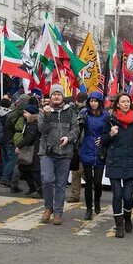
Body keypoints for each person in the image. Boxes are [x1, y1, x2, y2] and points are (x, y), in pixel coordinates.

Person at [100, 93, 133, 237]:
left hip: (131, 161)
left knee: (127, 196)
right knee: (117, 194)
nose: (126, 104)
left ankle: (127, 218)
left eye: (128, 101)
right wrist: (111, 135)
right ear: (118, 104)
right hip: (114, 161)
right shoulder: (110, 119)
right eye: (123, 101)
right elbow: (103, 140)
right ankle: (119, 225)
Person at [38, 84, 80, 226]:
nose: (56, 96)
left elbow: (76, 129)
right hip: (47, 153)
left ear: (62, 97)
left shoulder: (70, 112)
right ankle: (48, 207)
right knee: (47, 180)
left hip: (64, 154)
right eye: (54, 94)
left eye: (59, 94)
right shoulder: (44, 111)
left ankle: (57, 212)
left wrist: (68, 137)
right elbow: (42, 129)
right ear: (50, 97)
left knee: (61, 185)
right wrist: (46, 115)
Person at [77, 91, 108, 220]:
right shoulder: (84, 113)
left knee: (97, 182)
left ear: (100, 102)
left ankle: (97, 201)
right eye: (91, 101)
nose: (93, 103)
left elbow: (109, 132)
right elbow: (77, 129)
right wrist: (80, 123)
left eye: (95, 101)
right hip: (87, 149)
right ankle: (89, 209)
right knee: (88, 182)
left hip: (100, 151)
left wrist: (102, 138)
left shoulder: (106, 115)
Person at [14, 103, 42, 196]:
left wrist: (19, 146)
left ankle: (40, 190)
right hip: (29, 150)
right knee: (23, 169)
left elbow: (29, 137)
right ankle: (33, 188)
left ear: (31, 114)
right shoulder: (29, 123)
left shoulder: (34, 124)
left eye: (26, 112)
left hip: (34, 150)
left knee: (35, 172)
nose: (24, 114)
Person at [67, 91, 88, 203]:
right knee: (76, 170)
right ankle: (75, 193)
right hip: (78, 144)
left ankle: (91, 185)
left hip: (82, 144)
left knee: (79, 170)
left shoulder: (83, 112)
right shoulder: (77, 111)